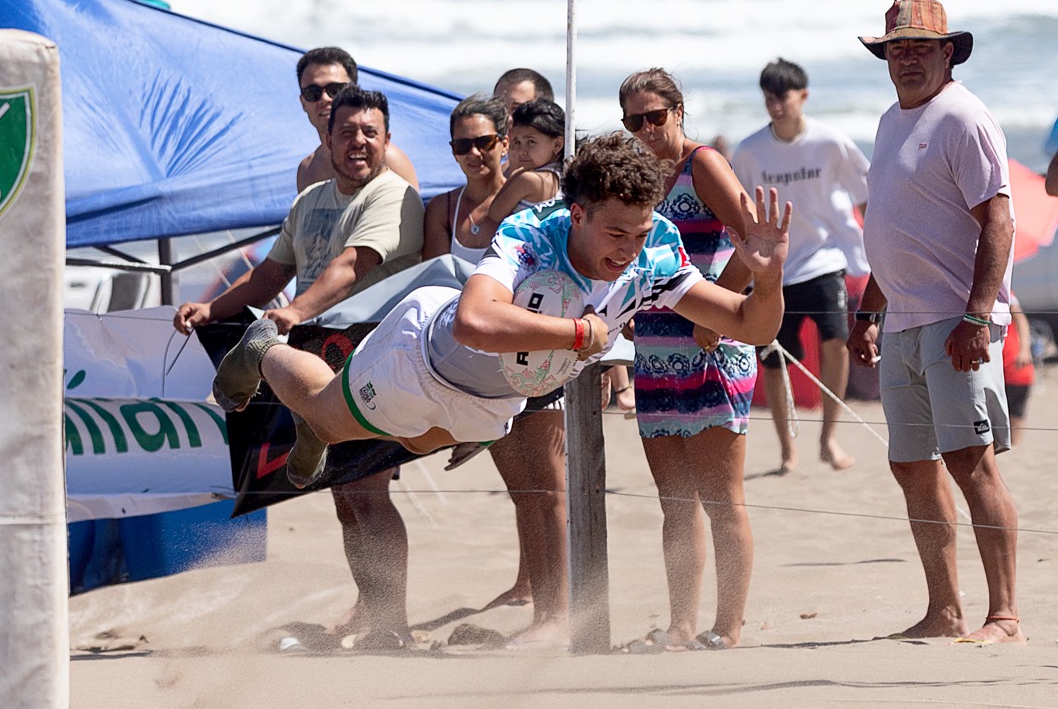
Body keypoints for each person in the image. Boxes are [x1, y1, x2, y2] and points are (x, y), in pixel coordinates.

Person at [211, 137, 789, 514]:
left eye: (639, 234)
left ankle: (321, 421)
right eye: (616, 234)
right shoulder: (532, 234)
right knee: (328, 415)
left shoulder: (655, 252)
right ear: (577, 214)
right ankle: (264, 351)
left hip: (494, 399)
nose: (628, 251)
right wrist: (580, 335)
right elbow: (474, 321)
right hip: (425, 356)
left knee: (417, 441)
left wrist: (767, 281)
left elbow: (750, 326)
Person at [174, 86, 425, 650]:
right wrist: (214, 308)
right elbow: (271, 272)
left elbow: (352, 265)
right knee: (346, 496)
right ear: (327, 139)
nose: (358, 142)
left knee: (367, 491)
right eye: (347, 132)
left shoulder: (394, 196)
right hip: (318, 356)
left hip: (373, 353)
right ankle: (376, 614)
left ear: (386, 139)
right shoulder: (311, 199)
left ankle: (393, 624)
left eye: (370, 133)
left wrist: (292, 313)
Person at [847, 0, 1023, 644]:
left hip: (955, 319)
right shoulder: (890, 121)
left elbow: (999, 220)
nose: (908, 58)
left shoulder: (963, 117)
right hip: (902, 322)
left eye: (922, 47)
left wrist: (978, 315)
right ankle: (944, 611)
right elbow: (895, 227)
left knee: (970, 461)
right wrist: (869, 311)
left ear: (949, 52)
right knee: (912, 465)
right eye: (897, 48)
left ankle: (1004, 616)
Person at [422, 95, 569, 648]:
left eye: (486, 141)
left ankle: (558, 614)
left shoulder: (539, 189)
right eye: (463, 144)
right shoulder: (446, 209)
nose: (476, 152)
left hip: (535, 347)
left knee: (549, 490)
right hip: (478, 365)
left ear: (504, 142)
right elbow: (432, 286)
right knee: (524, 493)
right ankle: (543, 611)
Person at [620, 67, 758, 651]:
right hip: (655, 351)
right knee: (675, 504)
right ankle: (680, 625)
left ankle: (727, 627)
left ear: (679, 111)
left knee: (722, 500)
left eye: (656, 116)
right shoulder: (639, 178)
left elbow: (755, 239)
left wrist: (718, 310)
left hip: (711, 348)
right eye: (634, 121)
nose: (646, 129)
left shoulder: (703, 164)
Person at [733, 58, 869, 474]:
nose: (776, 107)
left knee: (836, 339)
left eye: (783, 98)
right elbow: (737, 212)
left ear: (804, 96)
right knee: (775, 359)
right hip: (774, 268)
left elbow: (866, 193)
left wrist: (878, 247)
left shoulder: (831, 142)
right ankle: (786, 450)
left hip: (826, 257)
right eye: (769, 99)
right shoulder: (749, 151)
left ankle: (829, 438)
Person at [295, 46, 418, 193]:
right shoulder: (308, 171)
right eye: (312, 93)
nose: (324, 98)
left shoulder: (389, 160)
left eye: (335, 90)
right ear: (303, 102)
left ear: (354, 91)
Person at [1003, 292, 1034, 445]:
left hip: (1014, 366)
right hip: (993, 368)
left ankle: (1015, 446)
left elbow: (1020, 318)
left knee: (1015, 412)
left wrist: (1024, 350)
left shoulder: (1005, 291)